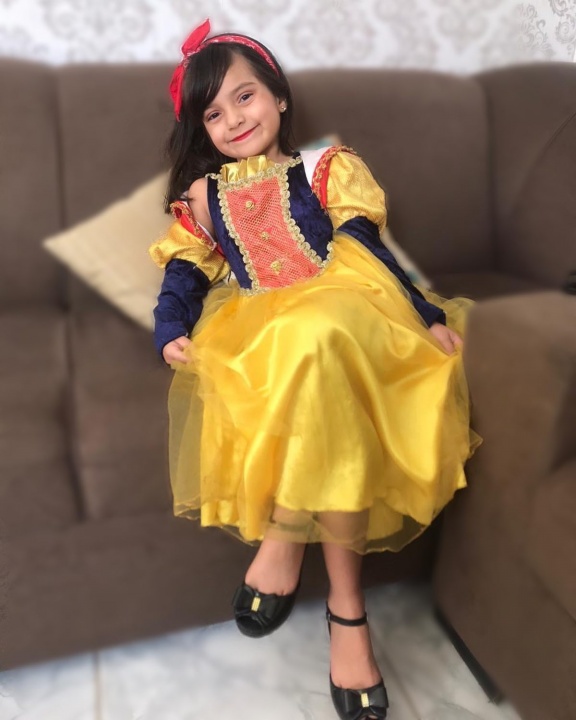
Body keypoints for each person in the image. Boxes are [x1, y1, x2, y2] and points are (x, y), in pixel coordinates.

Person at [149, 18, 482, 720]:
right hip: (267, 329)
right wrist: (171, 326)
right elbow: (185, 272)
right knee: (312, 356)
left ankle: (286, 533)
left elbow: (369, 248)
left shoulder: (327, 168)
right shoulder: (206, 197)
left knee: (322, 330)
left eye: (245, 97)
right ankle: (347, 610)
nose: (234, 119)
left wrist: (423, 314)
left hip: (347, 305)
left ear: (278, 96)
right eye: (213, 114)